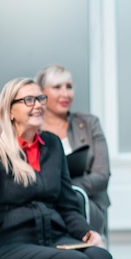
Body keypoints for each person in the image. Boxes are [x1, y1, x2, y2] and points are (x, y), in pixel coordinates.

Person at [0, 79, 114, 259]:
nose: (37, 105)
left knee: (101, 256)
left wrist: (86, 232)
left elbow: (67, 203)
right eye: (28, 100)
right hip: (10, 242)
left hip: (53, 237)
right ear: (10, 111)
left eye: (40, 99)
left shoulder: (52, 144)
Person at [36, 64, 111, 236]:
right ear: (40, 92)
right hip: (44, 203)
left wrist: (65, 189)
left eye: (69, 87)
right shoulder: (32, 127)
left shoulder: (89, 124)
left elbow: (102, 175)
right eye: (57, 87)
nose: (65, 94)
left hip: (86, 202)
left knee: (75, 201)